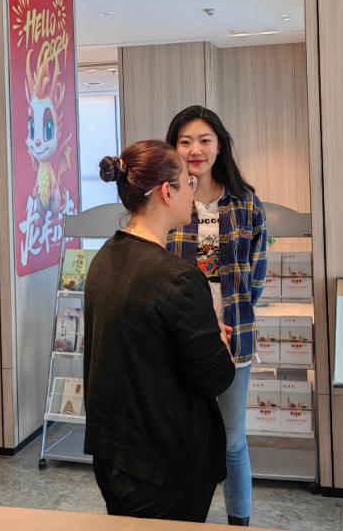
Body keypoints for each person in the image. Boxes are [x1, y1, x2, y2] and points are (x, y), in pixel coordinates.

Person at [84, 139, 235, 522]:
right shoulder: (178, 278)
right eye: (189, 183)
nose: (193, 193)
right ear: (168, 192)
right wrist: (218, 341)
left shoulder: (104, 259)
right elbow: (215, 377)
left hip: (113, 455)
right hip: (165, 465)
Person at [165, 105, 266, 527]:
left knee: (233, 440)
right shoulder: (168, 199)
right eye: (185, 141)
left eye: (204, 140)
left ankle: (238, 521)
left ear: (219, 145)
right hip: (177, 338)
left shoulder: (246, 203)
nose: (195, 150)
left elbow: (256, 276)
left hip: (234, 337)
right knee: (181, 437)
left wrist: (228, 316)